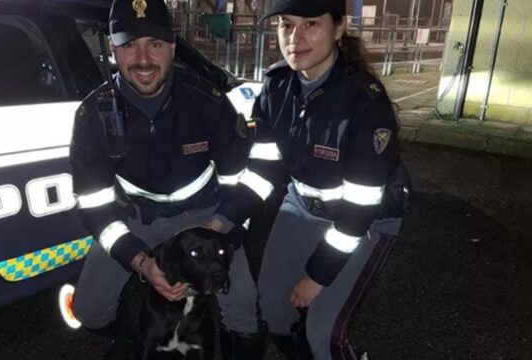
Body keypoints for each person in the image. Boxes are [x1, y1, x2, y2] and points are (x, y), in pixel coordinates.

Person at [66, 0, 268, 358]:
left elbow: (247, 181)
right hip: (135, 219)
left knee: (242, 307)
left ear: (173, 46)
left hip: (206, 217)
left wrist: (220, 228)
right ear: (113, 50)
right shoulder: (92, 116)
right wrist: (140, 262)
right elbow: (94, 207)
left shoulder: (208, 102)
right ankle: (141, 339)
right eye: (129, 45)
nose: (143, 59)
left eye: (155, 44)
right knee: (88, 311)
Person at [246, 0, 411, 359]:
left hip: (364, 221)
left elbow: (359, 208)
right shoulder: (276, 87)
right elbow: (264, 170)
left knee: (324, 333)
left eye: (310, 24)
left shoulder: (364, 102)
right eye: (286, 25)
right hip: (302, 206)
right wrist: (222, 218)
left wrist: (316, 277)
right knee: (272, 307)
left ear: (338, 28)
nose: (295, 38)